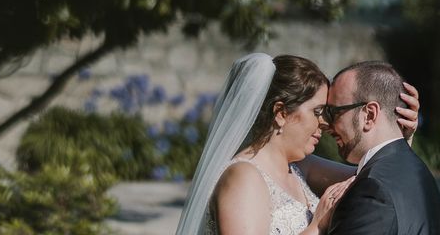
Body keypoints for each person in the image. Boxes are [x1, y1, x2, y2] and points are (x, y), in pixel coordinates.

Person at [175, 53, 420, 235]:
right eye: (318, 112)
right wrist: (316, 227)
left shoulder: (302, 167)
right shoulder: (243, 177)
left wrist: (397, 134)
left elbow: (373, 180)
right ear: (281, 113)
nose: (325, 124)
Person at [326, 61, 440, 234]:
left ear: (369, 114)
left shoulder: (373, 190)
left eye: (333, 113)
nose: (327, 125)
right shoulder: (418, 171)